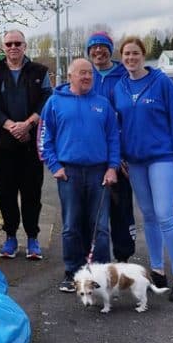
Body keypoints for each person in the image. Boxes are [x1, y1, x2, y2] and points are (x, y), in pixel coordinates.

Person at [112, 36, 173, 302]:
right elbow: (118, 125)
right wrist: (120, 156)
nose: (130, 58)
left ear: (143, 55)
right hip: (135, 161)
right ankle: (157, 270)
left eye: (135, 53)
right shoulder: (120, 87)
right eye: (126, 54)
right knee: (147, 215)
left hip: (162, 158)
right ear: (121, 57)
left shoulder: (161, 83)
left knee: (165, 215)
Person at [38, 58, 120, 293]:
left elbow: (114, 138)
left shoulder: (103, 104)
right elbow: (45, 138)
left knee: (101, 228)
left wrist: (112, 167)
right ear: (70, 76)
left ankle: (101, 274)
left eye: (90, 74)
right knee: (71, 225)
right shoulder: (54, 103)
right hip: (69, 173)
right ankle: (72, 272)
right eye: (81, 73)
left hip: (98, 172)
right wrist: (55, 166)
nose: (86, 77)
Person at [0, 29, 52, 260]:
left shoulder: (39, 72)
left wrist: (29, 124)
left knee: (32, 193)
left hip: (31, 144)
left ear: (25, 46)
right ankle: (10, 237)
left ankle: (32, 238)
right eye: (9, 43)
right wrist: (11, 125)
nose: (13, 47)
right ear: (3, 47)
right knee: (7, 193)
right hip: (4, 144)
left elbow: (47, 100)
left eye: (17, 43)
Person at [86, 31, 137, 263]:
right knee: (94, 211)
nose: (98, 51)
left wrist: (123, 154)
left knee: (121, 209)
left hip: (120, 157)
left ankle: (124, 258)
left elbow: (130, 118)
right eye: (93, 48)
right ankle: (96, 260)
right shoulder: (86, 76)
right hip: (94, 156)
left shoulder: (124, 76)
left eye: (102, 47)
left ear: (110, 49)